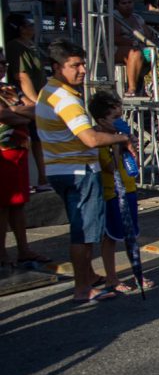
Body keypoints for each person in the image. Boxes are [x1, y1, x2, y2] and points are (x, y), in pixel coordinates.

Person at [36, 40, 132, 303]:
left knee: (83, 228)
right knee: (84, 233)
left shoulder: (50, 91)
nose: (81, 70)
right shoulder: (65, 97)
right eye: (74, 65)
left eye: (82, 64)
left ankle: (88, 276)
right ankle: (82, 288)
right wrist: (120, 138)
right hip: (77, 171)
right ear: (57, 67)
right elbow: (89, 139)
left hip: (62, 169)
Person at [88, 91, 154, 295]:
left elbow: (133, 165)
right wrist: (116, 144)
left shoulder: (120, 137)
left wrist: (130, 145)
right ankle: (111, 277)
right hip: (111, 193)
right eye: (115, 118)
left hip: (129, 189)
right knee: (111, 237)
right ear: (101, 120)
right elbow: (111, 168)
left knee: (131, 234)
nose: (120, 121)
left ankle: (138, 272)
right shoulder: (99, 140)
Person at [0, 52, 49, 267]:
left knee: (18, 204)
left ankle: (24, 249)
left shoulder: (9, 88)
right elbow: (4, 116)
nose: (2, 67)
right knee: (3, 206)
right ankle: (2, 253)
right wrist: (19, 113)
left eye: (4, 62)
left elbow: (36, 108)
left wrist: (14, 111)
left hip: (19, 150)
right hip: (3, 154)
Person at [7, 14, 51, 190]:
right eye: (29, 25)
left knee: (40, 139)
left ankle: (43, 177)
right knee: (36, 139)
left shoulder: (30, 45)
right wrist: (35, 100)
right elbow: (22, 76)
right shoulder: (15, 46)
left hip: (39, 95)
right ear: (20, 28)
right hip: (26, 98)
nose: (33, 28)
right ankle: (41, 178)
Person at [113, 0, 150, 96]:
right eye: (123, 3)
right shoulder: (114, 17)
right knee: (135, 53)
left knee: (155, 54)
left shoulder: (138, 17)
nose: (127, 5)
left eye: (129, 2)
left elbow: (148, 36)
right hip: (116, 49)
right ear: (117, 5)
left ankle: (150, 87)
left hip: (140, 47)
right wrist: (134, 42)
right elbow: (114, 38)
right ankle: (133, 88)